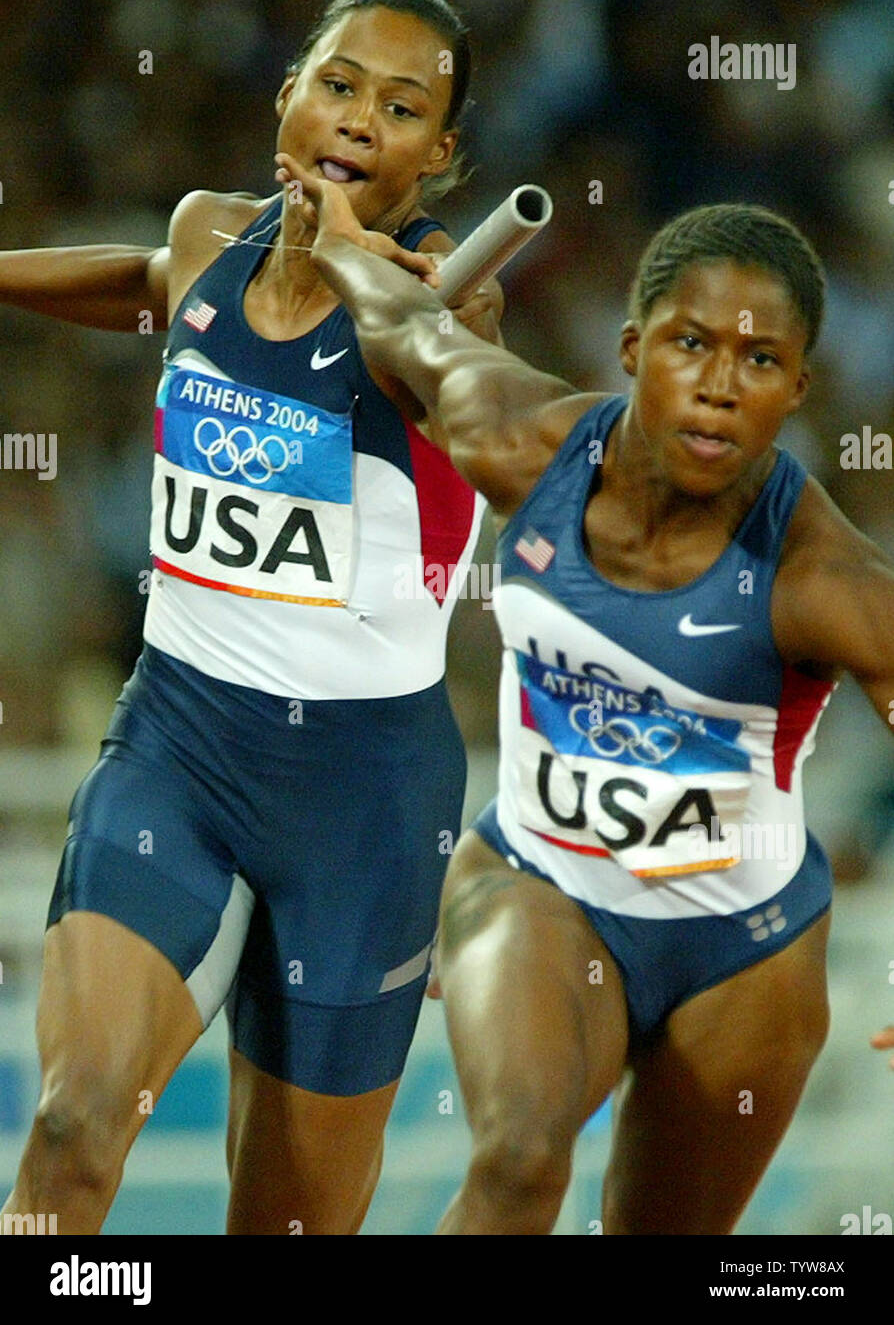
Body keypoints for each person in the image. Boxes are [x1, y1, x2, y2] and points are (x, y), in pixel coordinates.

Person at [282, 161, 894, 1235]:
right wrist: (334, 239)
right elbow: (408, 325)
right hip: (540, 883)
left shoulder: (824, 583)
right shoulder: (517, 438)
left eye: (761, 359)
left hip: (743, 947)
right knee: (519, 1162)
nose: (718, 384)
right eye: (691, 343)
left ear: (800, 388)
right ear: (631, 348)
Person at [1, 0, 504, 1235]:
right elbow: (147, 281)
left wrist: (371, 273)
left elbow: (471, 383)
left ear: (440, 156)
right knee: (70, 1128)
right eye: (338, 84)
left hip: (367, 808)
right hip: (179, 745)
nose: (359, 121)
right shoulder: (205, 235)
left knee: (286, 1226)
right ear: (288, 94)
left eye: (402, 107)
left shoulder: (439, 306)